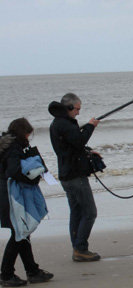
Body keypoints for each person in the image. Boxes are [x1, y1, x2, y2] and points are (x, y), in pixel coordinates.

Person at [0, 118, 54, 286]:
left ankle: (32, 270)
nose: (29, 138)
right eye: (29, 134)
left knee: (22, 232)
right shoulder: (14, 148)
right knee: (20, 232)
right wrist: (32, 180)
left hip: (5, 194)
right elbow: (14, 171)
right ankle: (6, 274)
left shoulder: (5, 145)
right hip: (10, 195)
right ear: (24, 132)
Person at [48, 93, 101, 262]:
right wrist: (91, 126)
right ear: (69, 107)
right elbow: (79, 140)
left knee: (76, 212)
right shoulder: (64, 124)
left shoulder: (60, 123)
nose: (78, 113)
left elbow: (72, 145)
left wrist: (87, 151)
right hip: (75, 176)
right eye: (77, 109)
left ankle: (77, 247)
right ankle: (80, 248)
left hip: (67, 175)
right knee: (90, 212)